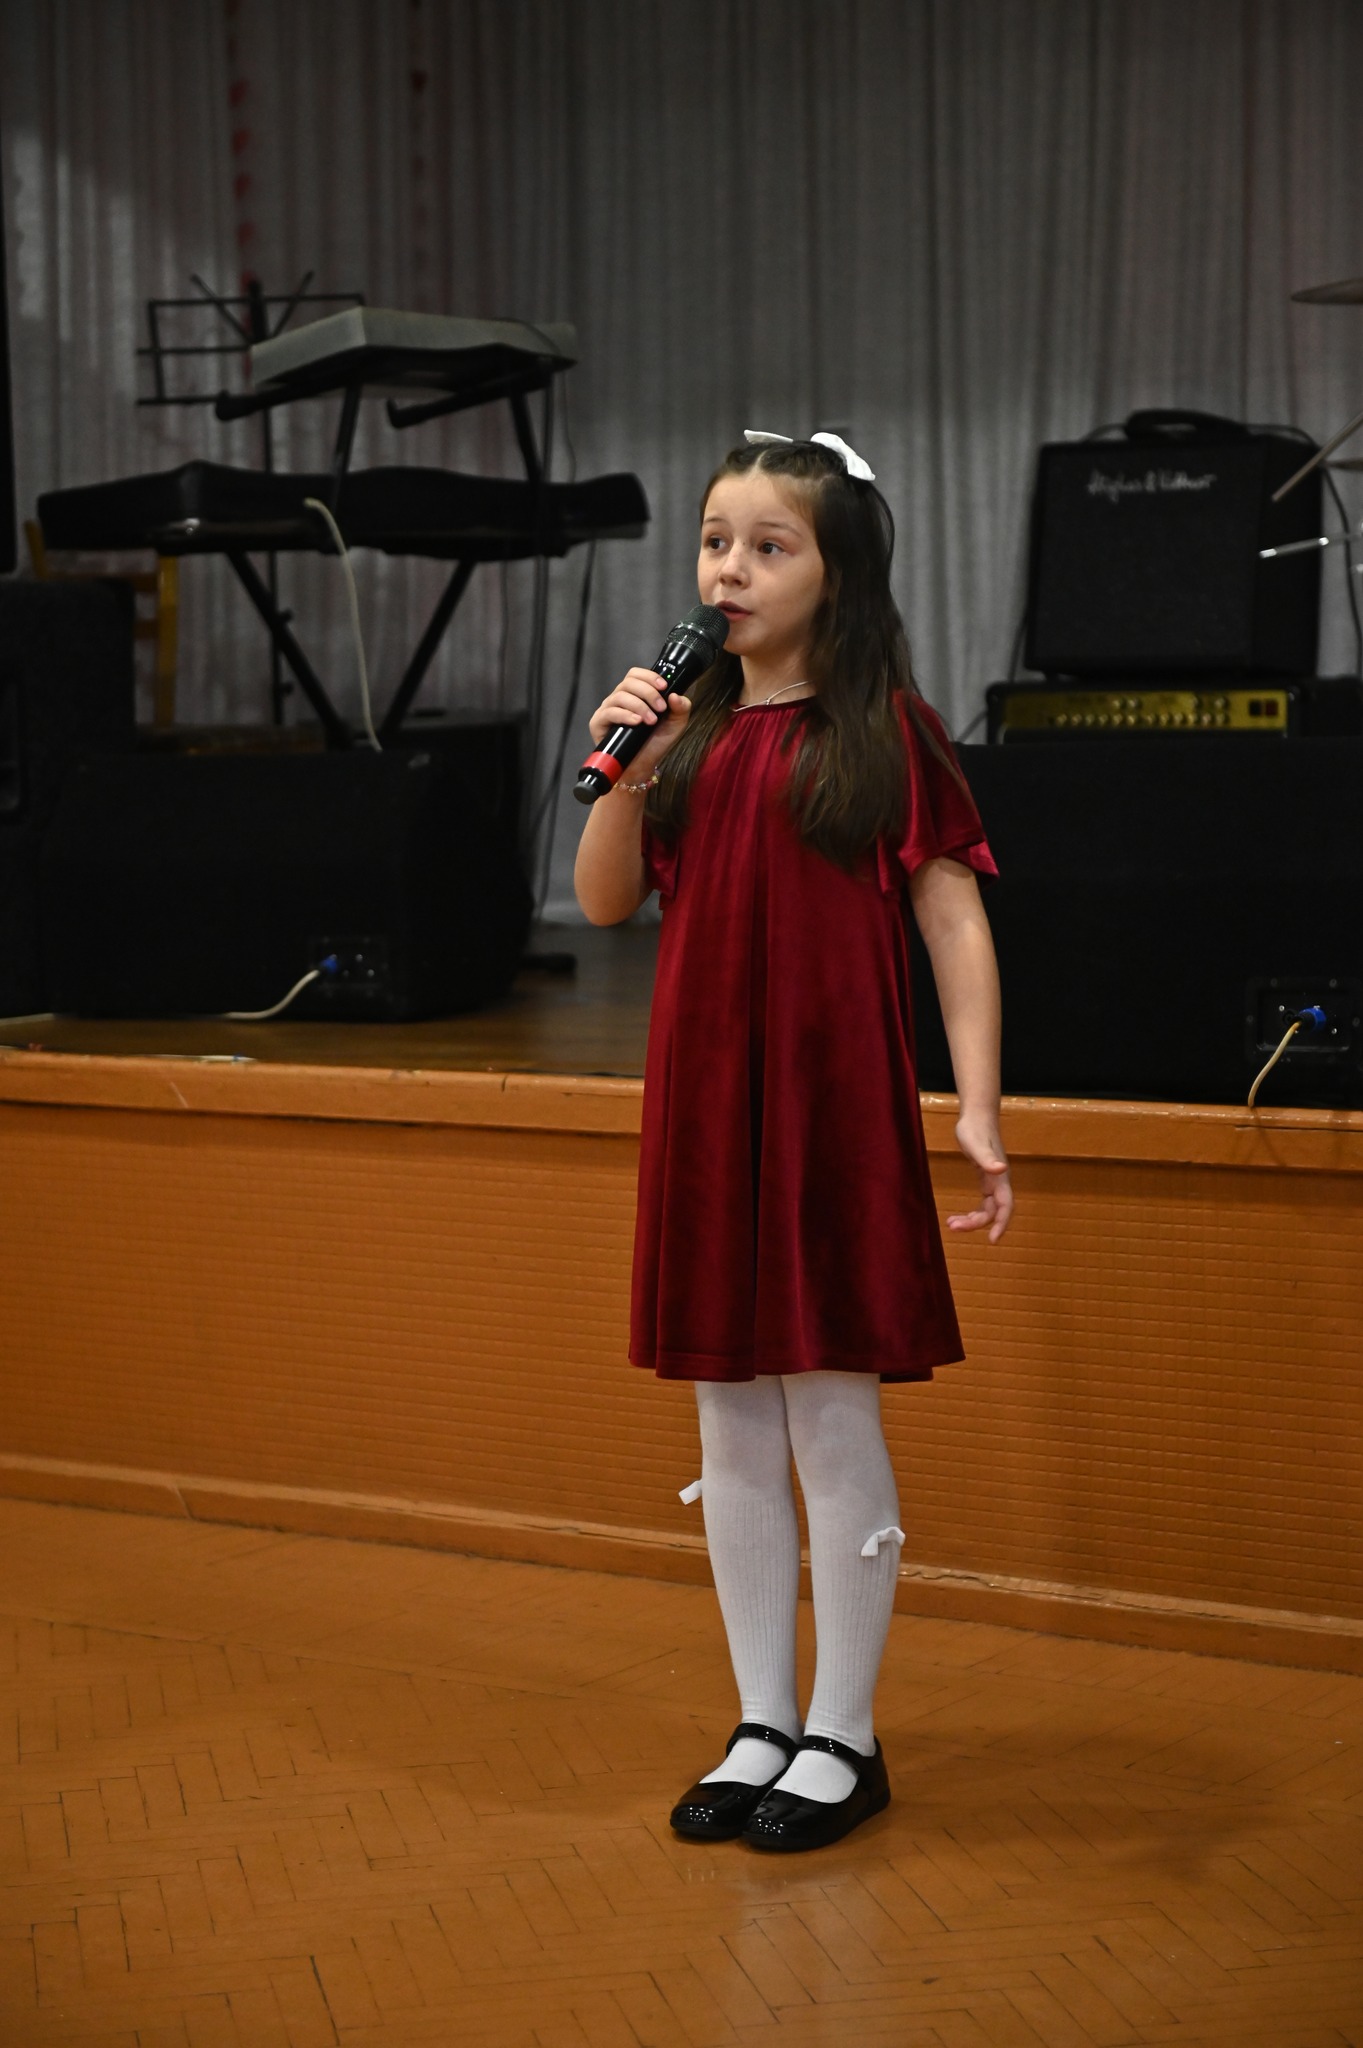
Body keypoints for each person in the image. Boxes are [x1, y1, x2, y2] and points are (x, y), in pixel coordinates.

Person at [574, 430, 1012, 1853]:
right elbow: (603, 903)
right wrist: (628, 766)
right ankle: (763, 1718)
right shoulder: (684, 736)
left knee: (828, 1407)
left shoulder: (886, 733)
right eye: (717, 540)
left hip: (829, 1109)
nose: (732, 568)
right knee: (731, 1416)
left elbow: (953, 919)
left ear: (840, 571)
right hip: (710, 1107)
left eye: (771, 545)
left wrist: (978, 1102)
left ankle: (845, 1733)